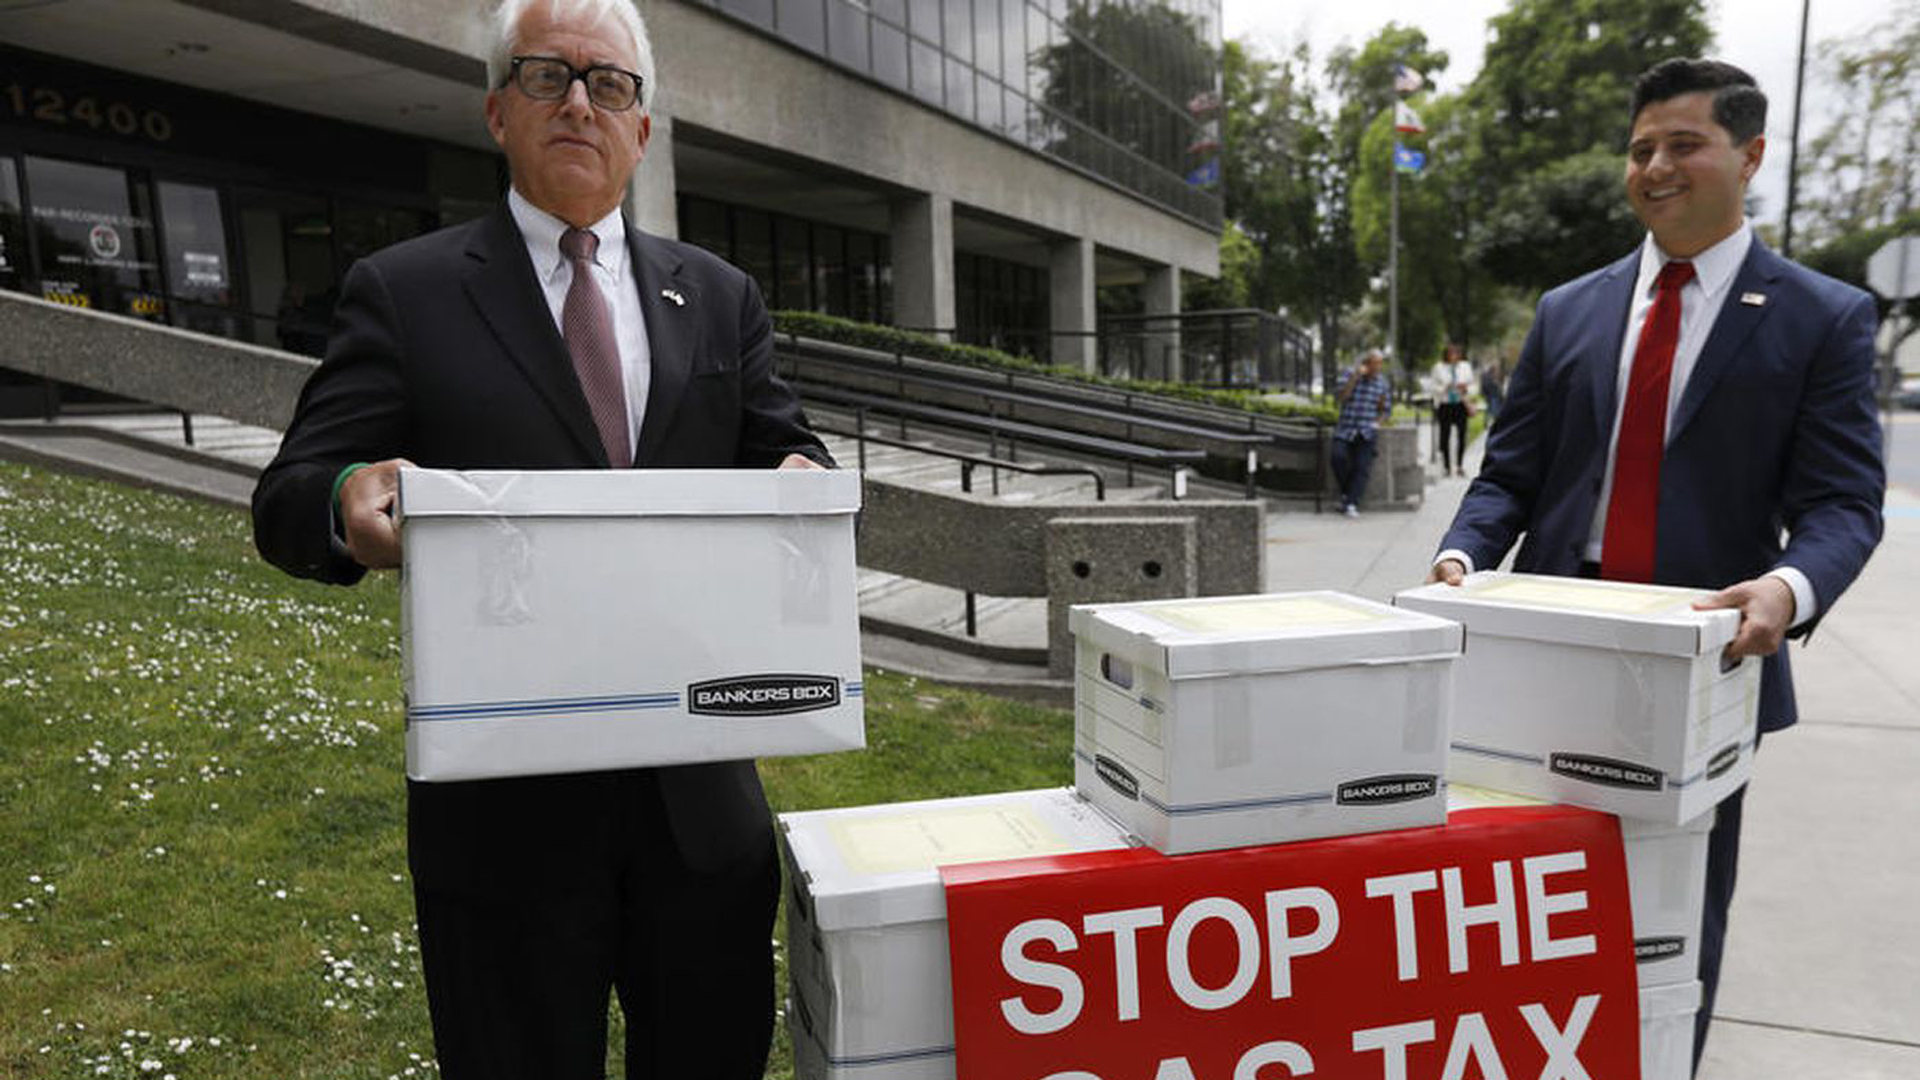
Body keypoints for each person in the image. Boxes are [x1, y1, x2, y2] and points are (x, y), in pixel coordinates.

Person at [250, 1, 831, 1075]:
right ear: (496, 112)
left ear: (642, 131)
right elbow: (287, 498)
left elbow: (788, 452)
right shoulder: (407, 291)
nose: (578, 101)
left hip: (699, 812)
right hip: (503, 827)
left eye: (609, 84)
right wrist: (348, 499)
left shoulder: (718, 296)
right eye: (546, 76)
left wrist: (803, 481)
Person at [1425, 58, 1883, 1072]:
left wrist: (1788, 586)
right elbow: (1510, 476)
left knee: (1670, 917)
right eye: (1641, 149)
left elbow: (1843, 505)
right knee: (1527, 900)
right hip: (1544, 659)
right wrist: (1462, 553)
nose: (1656, 168)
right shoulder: (1568, 312)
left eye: (1684, 145)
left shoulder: (1823, 318)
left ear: (1748, 155)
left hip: (1703, 668)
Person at [1330, 348, 1392, 517]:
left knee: (1362, 467)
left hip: (1367, 431)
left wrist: (1376, 423)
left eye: (1380, 364)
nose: (1377, 368)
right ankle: (1347, 494)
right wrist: (1355, 377)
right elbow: (1341, 397)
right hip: (1346, 428)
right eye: (1374, 363)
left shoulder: (1382, 383)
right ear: (1366, 363)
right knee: (1338, 457)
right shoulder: (1349, 375)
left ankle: (1351, 503)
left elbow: (1385, 410)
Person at [1427, 343, 1474, 476]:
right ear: (1446, 355)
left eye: (1456, 353)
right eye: (1451, 354)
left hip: (1460, 404)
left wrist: (1465, 388)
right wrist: (1444, 388)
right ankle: (1447, 467)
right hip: (1445, 404)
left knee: (1462, 435)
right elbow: (1433, 387)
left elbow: (1472, 385)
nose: (1454, 356)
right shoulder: (1438, 367)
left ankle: (1459, 465)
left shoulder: (1465, 366)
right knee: (1444, 436)